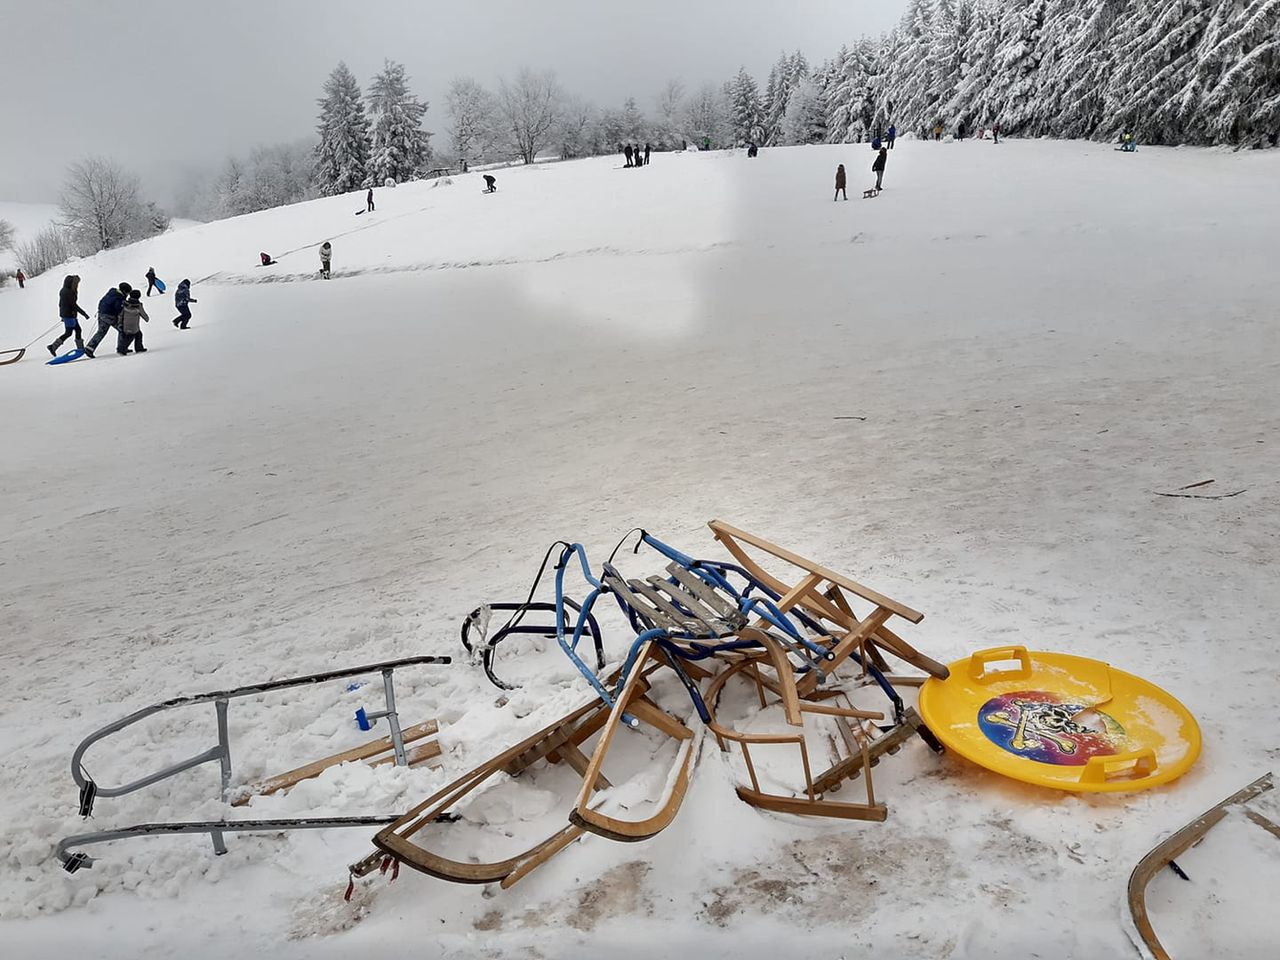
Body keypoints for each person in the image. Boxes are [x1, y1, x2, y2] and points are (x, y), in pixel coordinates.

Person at [84, 282, 132, 358]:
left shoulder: (112, 292)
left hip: (101, 313)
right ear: (124, 291)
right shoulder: (119, 298)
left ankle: (89, 348)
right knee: (122, 329)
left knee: (101, 332)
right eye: (128, 293)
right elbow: (118, 309)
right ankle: (122, 348)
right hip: (110, 316)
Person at [48, 275, 89, 356]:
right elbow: (73, 305)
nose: (77, 285)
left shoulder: (66, 290)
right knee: (68, 333)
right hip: (69, 315)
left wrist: (62, 315)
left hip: (69, 315)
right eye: (76, 283)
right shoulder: (67, 292)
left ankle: (80, 349)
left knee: (78, 330)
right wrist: (84, 313)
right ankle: (53, 347)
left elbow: (61, 304)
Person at [117, 288, 149, 354]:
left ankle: (138, 348)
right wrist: (147, 318)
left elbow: (121, 315)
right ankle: (122, 349)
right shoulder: (138, 306)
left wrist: (120, 323)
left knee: (138, 335)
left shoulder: (125, 304)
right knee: (132, 337)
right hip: (134, 326)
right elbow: (144, 315)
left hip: (125, 325)